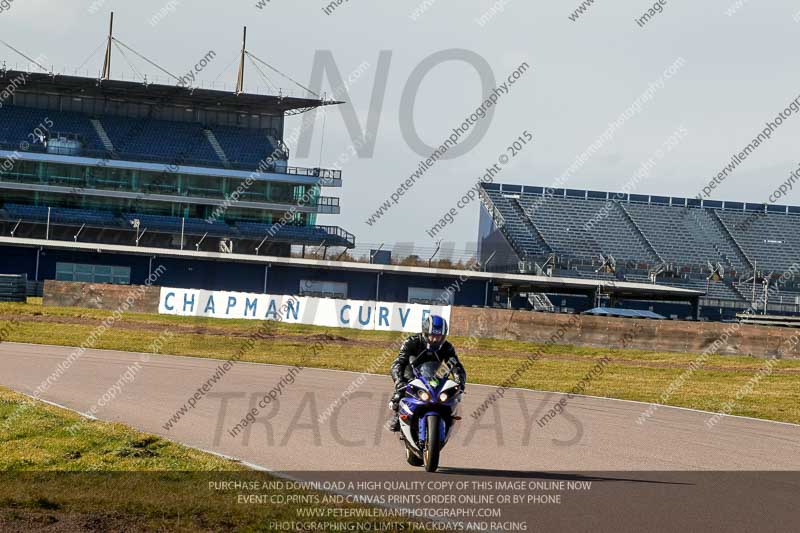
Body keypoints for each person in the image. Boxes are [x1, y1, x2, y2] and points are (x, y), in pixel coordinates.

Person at [388, 314, 466, 432]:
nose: (435, 340)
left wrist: (460, 384)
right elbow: (398, 363)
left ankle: (447, 417)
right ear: (425, 333)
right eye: (432, 336)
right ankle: (398, 414)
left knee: (450, 395)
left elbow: (456, 366)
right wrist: (399, 381)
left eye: (439, 337)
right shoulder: (411, 342)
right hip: (412, 373)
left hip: (435, 374)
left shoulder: (447, 347)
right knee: (400, 392)